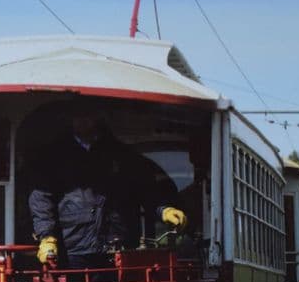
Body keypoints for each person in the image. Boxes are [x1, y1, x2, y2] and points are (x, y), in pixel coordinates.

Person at [28, 108, 187, 270]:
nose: (83, 121)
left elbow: (145, 189)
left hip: (118, 246)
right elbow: (41, 199)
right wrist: (47, 237)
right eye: (78, 115)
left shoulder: (122, 154)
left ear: (99, 118)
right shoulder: (54, 156)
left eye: (88, 115)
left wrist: (164, 210)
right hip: (72, 250)